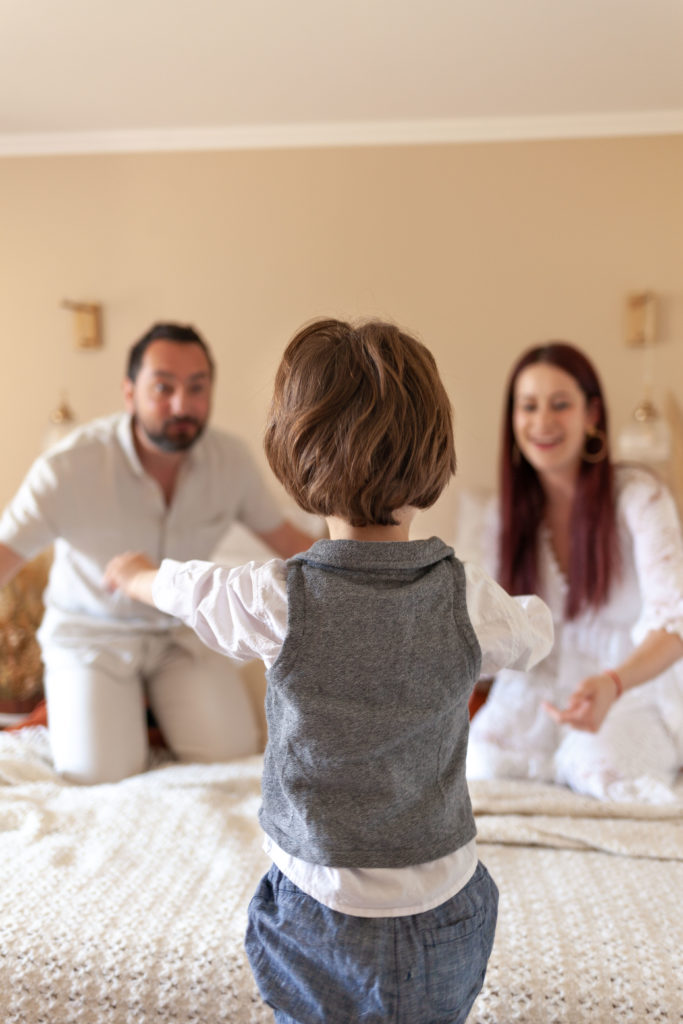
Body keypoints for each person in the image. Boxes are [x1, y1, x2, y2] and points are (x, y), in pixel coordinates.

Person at [104, 317, 553, 1024]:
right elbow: (535, 633)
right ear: (434, 453)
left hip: (318, 907)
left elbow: (186, 588)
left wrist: (133, 574)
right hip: (445, 907)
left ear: (295, 457)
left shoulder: (277, 598)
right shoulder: (464, 599)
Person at [0, 321, 315, 784]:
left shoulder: (232, 462)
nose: (181, 404)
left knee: (235, 758)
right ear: (130, 393)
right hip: (92, 636)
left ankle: (151, 715)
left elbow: (290, 544)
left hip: (181, 634)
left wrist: (375, 565)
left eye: (196, 387)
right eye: (163, 388)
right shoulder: (68, 466)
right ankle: (118, 715)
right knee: (98, 775)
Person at [464, 341, 683, 803]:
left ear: (592, 415)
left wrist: (613, 682)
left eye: (560, 405)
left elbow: (675, 622)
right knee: (477, 768)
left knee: (598, 769)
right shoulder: (503, 519)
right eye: (529, 406)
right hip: (535, 698)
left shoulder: (640, 498)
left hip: (630, 693)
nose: (543, 421)